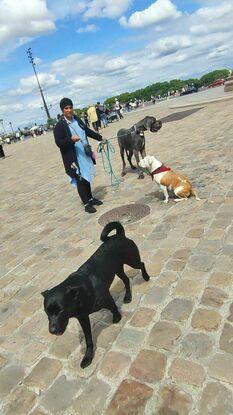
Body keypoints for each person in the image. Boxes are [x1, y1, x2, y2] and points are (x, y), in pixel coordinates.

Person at [54, 98, 106, 214]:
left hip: (84, 153)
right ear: (62, 110)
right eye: (66, 108)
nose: (69, 110)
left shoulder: (77, 120)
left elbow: (87, 131)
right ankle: (86, 203)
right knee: (80, 179)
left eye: (70, 107)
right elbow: (59, 143)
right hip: (73, 157)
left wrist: (100, 137)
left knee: (86, 176)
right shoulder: (59, 126)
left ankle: (91, 198)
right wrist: (70, 139)